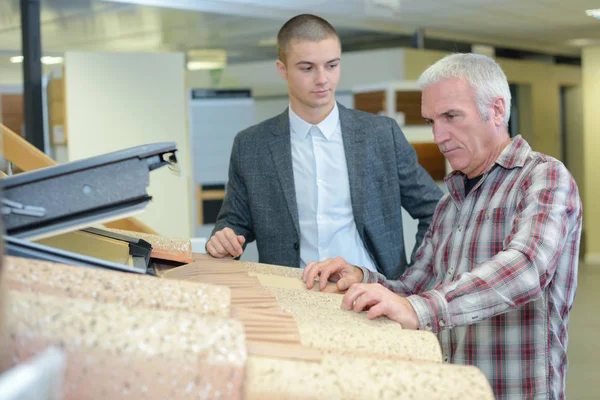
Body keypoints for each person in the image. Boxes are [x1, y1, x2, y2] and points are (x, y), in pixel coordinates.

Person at [302, 53, 582, 399]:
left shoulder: (544, 178)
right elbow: (415, 284)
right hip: (452, 387)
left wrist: (420, 309)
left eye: (451, 117)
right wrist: (363, 279)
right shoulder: (450, 200)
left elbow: (526, 268)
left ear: (496, 110)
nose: (438, 135)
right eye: (432, 120)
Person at [207, 14, 442, 279]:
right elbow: (234, 222)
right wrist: (223, 238)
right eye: (307, 68)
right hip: (289, 296)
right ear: (282, 69)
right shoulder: (251, 145)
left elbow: (436, 210)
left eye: (331, 65)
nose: (322, 79)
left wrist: (413, 280)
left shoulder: (380, 135)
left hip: (373, 293)